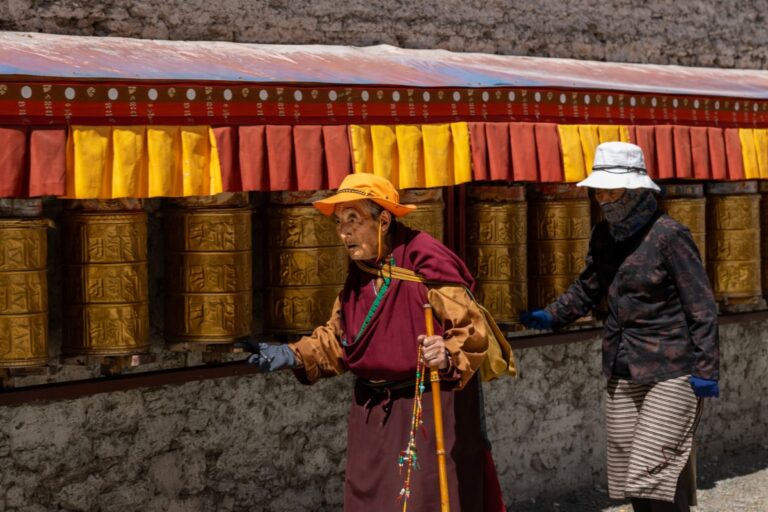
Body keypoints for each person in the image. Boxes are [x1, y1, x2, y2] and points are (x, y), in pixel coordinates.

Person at [246, 173, 506, 512]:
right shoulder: (361, 273)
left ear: (383, 220)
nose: (343, 233)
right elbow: (340, 339)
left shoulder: (424, 258)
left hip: (425, 404)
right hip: (371, 410)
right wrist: (292, 354)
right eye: (339, 223)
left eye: (353, 220)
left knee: (419, 501)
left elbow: (470, 330)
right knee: (370, 500)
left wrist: (445, 353)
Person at [520, 141, 720, 512]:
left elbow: (702, 306)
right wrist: (551, 315)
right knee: (635, 476)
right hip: (623, 368)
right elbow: (589, 286)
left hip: (671, 370)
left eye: (613, 192)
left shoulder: (669, 236)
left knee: (652, 468)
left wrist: (706, 369)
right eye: (601, 192)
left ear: (636, 190)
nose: (605, 200)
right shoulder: (604, 235)